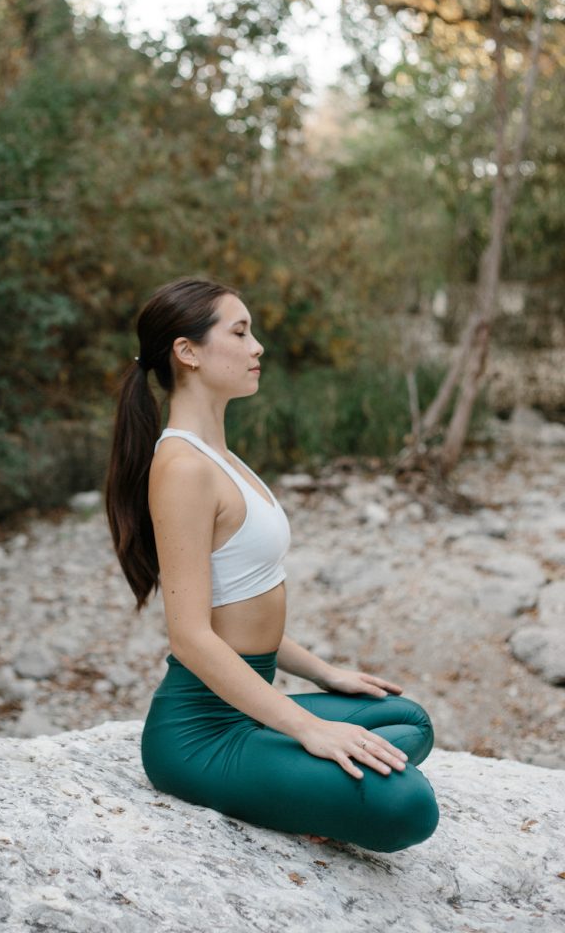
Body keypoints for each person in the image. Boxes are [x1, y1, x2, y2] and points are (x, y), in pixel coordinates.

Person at [106, 277, 438, 853]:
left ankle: (287, 775)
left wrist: (324, 674)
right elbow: (190, 637)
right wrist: (306, 726)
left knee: (408, 718)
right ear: (187, 352)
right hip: (200, 734)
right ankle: (282, 776)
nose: (257, 347)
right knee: (410, 807)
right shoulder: (183, 467)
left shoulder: (222, 457)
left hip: (249, 706)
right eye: (240, 332)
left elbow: (238, 601)